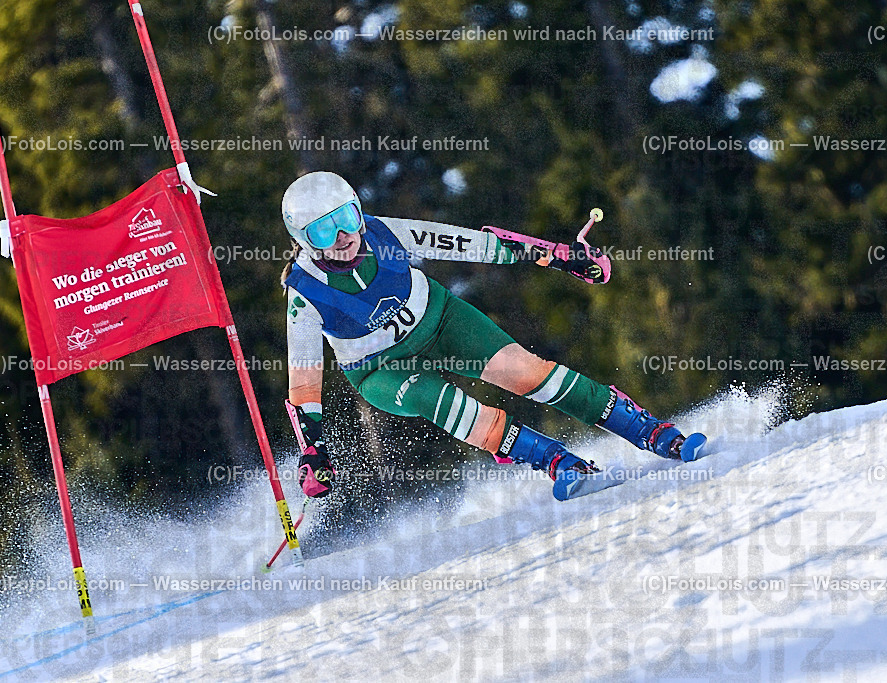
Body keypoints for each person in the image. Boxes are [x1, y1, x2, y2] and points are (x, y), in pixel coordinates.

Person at [281, 171, 705, 499]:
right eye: (324, 230)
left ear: (358, 210)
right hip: (379, 369)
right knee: (439, 402)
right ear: (304, 241)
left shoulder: (385, 233)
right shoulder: (304, 292)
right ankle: (557, 462)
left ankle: (651, 432)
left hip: (440, 320)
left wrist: (556, 256)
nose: (343, 238)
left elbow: (467, 244)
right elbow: (304, 383)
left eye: (347, 219)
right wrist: (312, 450)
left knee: (528, 374)